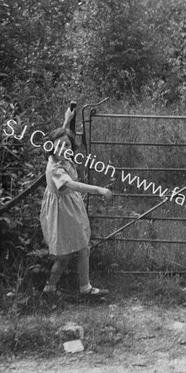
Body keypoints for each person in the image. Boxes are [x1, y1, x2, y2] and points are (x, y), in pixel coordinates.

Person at [39, 127, 112, 299]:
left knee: (82, 248)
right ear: (51, 146)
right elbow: (74, 185)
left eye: (68, 145)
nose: (65, 149)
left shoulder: (59, 157)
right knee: (64, 255)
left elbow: (60, 140)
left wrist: (66, 119)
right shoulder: (55, 169)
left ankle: (83, 288)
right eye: (60, 146)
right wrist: (99, 190)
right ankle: (51, 288)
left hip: (70, 208)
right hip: (63, 214)